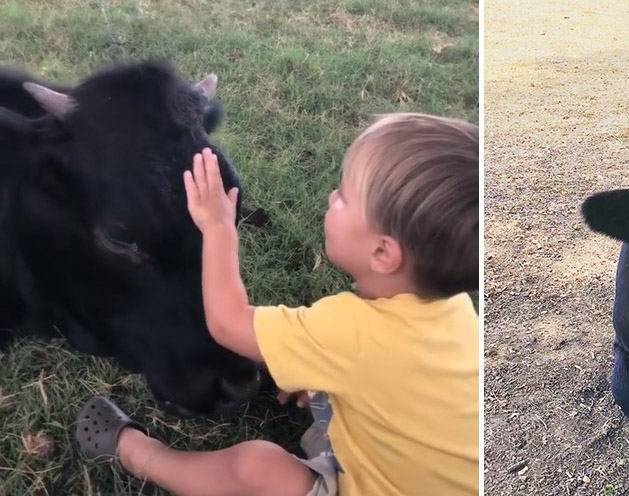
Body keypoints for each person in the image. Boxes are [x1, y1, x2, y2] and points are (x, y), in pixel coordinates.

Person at [74, 113, 480, 496]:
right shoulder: (457, 312)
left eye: (344, 196)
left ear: (383, 254)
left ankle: (139, 454)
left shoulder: (352, 332)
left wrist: (217, 228)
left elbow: (229, 323)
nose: (330, 195)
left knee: (258, 467)